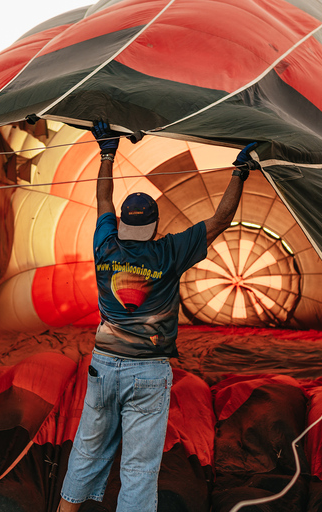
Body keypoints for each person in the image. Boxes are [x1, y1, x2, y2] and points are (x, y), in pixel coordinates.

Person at [58, 121, 258, 512]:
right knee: (139, 467)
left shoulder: (105, 243)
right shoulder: (170, 251)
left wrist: (107, 153)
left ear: (122, 223)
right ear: (153, 227)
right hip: (147, 372)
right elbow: (220, 221)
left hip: (102, 366)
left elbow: (103, 200)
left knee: (86, 448)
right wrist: (240, 171)